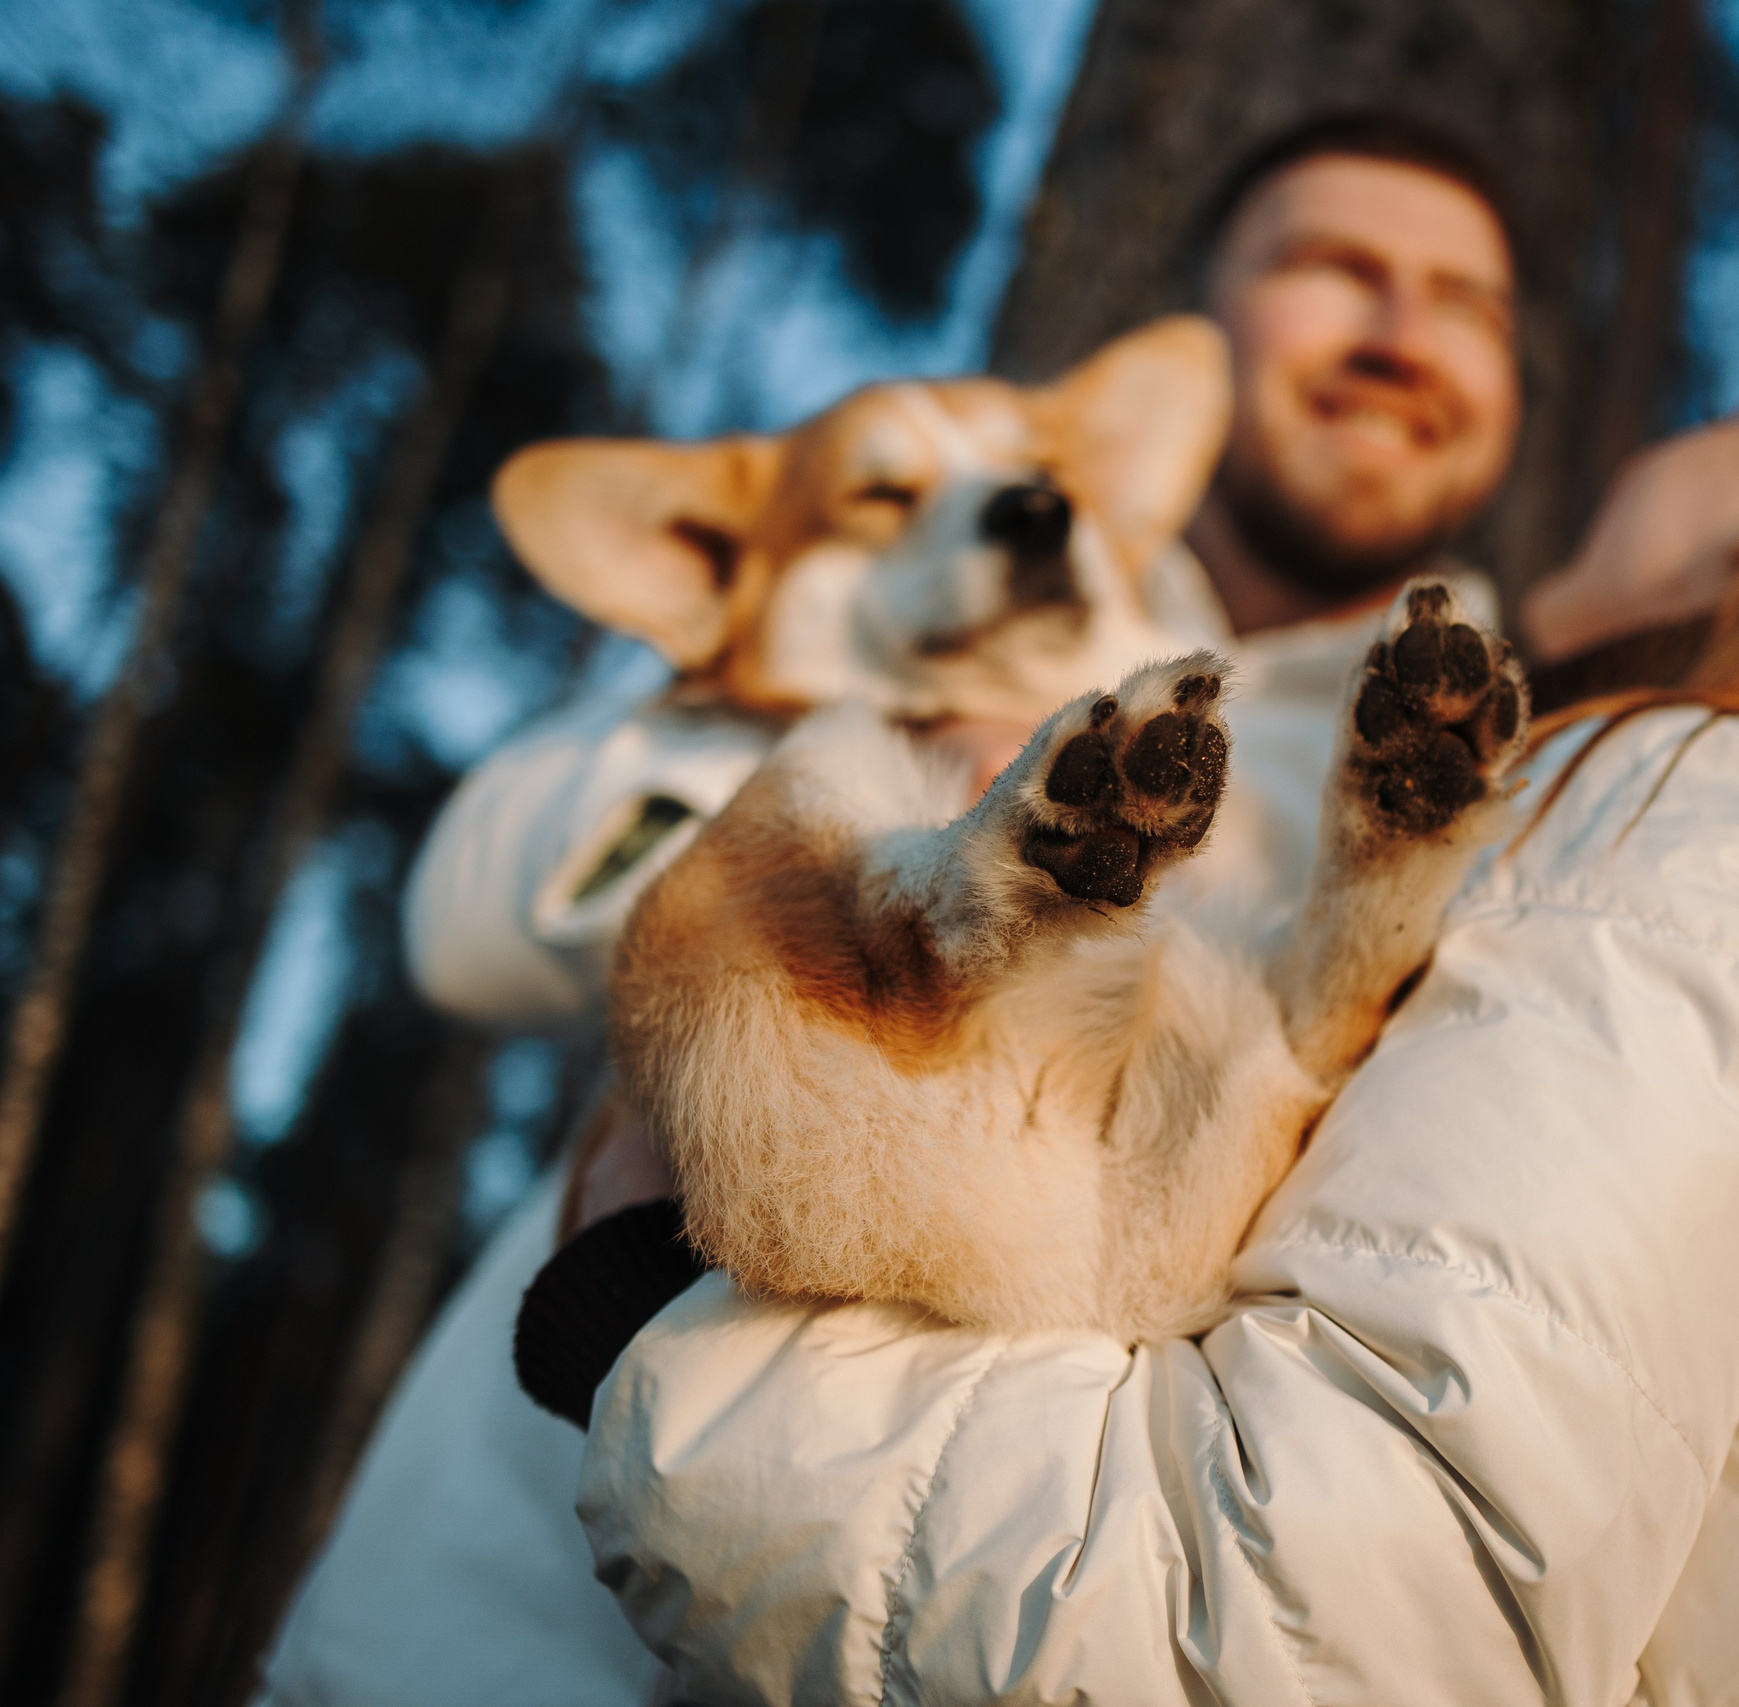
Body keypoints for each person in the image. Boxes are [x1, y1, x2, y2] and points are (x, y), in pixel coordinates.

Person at [570, 338, 1739, 1704]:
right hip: (1098, 1195)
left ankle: (979, 918)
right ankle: (1231, 941)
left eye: (1715, 416)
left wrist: (644, 1318)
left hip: (950, 1243)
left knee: (791, 876)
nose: (1636, 460)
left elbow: (1329, 1620)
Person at [257, 110, 1526, 1707]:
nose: (1402, 332)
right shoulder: (785, 700)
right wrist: (833, 791)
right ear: (1221, 316)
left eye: (1465, 301)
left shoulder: (1526, 739)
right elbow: (470, 911)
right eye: (1336, 270)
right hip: (487, 1636)